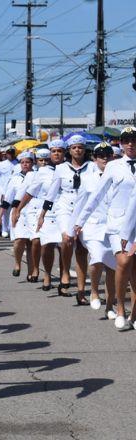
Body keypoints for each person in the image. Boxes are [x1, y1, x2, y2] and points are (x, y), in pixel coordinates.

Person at [74, 126, 136, 330]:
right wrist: (80, 221)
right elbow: (96, 196)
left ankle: (134, 315)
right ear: (121, 143)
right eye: (126, 140)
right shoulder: (114, 166)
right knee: (124, 262)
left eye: (134, 140)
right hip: (117, 225)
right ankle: (119, 308)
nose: (130, 144)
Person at [39, 135, 93, 304]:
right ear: (69, 150)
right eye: (74, 147)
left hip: (84, 208)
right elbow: (52, 193)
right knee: (67, 239)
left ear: (85, 150)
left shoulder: (91, 167)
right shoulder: (61, 168)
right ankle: (65, 272)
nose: (78, 150)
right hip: (65, 207)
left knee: (83, 250)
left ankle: (81, 290)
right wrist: (42, 215)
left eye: (80, 147)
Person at [15, 141, 67, 292]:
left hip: (65, 211)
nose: (57, 154)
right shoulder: (43, 172)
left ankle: (64, 278)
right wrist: (18, 209)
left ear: (65, 153)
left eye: (60, 151)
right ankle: (47, 275)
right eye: (54, 151)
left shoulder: (69, 169)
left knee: (64, 246)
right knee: (47, 246)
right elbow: (30, 192)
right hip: (47, 212)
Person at [70, 142, 116, 315]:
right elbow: (80, 204)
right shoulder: (88, 179)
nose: (105, 158)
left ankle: (110, 305)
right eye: (100, 155)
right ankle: (95, 291)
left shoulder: (120, 175)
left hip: (113, 227)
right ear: (94, 158)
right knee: (97, 258)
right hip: (93, 227)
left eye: (108, 155)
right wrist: (72, 228)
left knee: (113, 268)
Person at [0, 150, 36, 280]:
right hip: (18, 213)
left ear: (32, 163)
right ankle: (17, 263)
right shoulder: (15, 179)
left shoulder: (37, 176)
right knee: (19, 241)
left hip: (34, 212)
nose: (25, 165)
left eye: (28, 162)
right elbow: (7, 199)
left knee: (32, 243)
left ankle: (32, 272)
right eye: (22, 162)